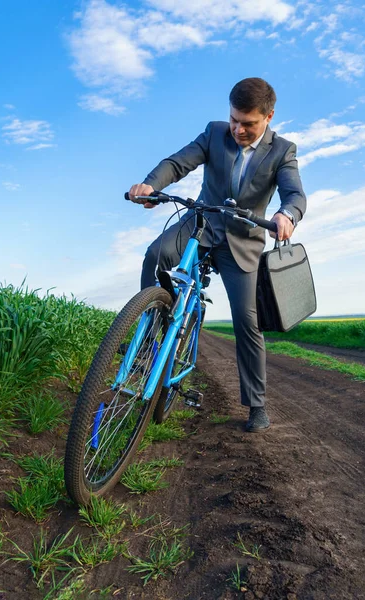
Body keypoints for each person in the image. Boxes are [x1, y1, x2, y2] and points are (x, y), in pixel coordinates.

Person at [128, 77, 306, 433]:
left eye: (248, 123)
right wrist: (151, 184)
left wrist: (287, 215)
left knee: (246, 320)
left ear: (269, 116)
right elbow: (179, 163)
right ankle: (150, 336)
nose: (238, 129)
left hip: (243, 240)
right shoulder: (214, 132)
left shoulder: (283, 151)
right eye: (234, 119)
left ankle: (256, 404)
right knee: (155, 255)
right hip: (202, 222)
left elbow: (294, 194)